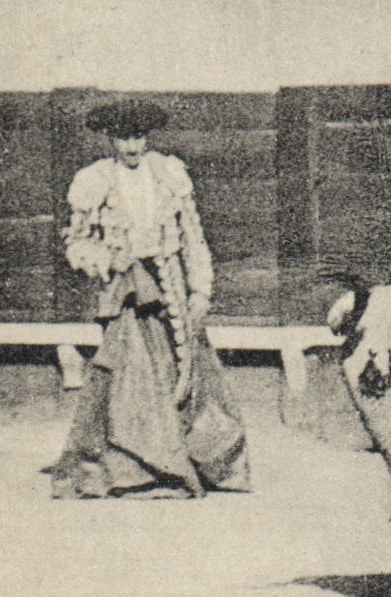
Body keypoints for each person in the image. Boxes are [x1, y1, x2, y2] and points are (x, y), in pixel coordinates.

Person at [45, 101, 249, 501]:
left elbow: (193, 237)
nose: (132, 146)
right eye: (124, 137)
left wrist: (201, 289)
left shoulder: (169, 173)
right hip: (126, 292)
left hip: (169, 283)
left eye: (138, 137)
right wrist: (107, 260)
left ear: (148, 137)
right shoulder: (96, 179)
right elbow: (75, 241)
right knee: (130, 375)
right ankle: (136, 469)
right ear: (111, 139)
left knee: (187, 372)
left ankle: (190, 462)